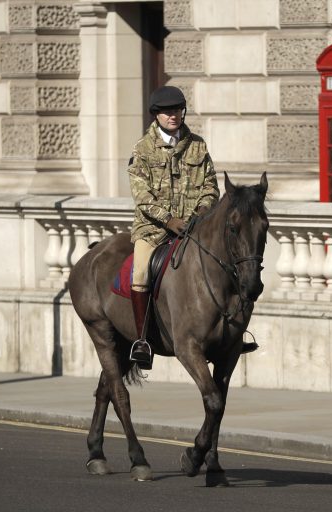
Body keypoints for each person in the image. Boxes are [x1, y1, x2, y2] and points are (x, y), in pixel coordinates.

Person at [126, 85, 219, 369]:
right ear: (156, 115)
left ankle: (231, 334)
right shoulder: (142, 150)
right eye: (167, 112)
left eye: (178, 110)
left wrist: (201, 211)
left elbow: (211, 185)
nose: (174, 116)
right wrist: (168, 220)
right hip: (154, 230)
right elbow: (142, 196)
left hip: (193, 226)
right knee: (140, 272)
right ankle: (142, 340)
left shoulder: (198, 145)